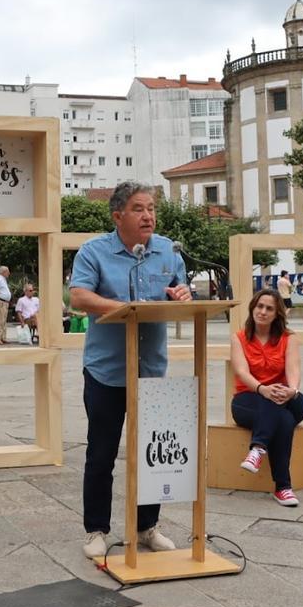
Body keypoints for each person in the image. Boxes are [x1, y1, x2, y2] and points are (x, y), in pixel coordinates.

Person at [69, 181, 190, 560]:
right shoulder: (94, 252)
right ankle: (96, 530)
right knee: (101, 454)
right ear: (118, 215)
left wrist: (184, 295)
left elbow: (181, 290)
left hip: (151, 370)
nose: (148, 215)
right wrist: (121, 308)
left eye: (152, 208)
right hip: (106, 372)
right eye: (139, 208)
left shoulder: (168, 251)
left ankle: (146, 526)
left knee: (152, 453)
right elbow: (79, 296)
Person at [230, 290, 303, 507]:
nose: (263, 312)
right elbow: (242, 372)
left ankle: (258, 448)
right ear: (252, 308)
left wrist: (292, 390)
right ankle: (283, 488)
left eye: (269, 308)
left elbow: (293, 369)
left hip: (284, 396)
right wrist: (262, 389)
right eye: (259, 306)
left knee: (295, 403)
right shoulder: (239, 338)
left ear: (277, 314)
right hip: (248, 399)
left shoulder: (288, 338)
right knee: (283, 420)